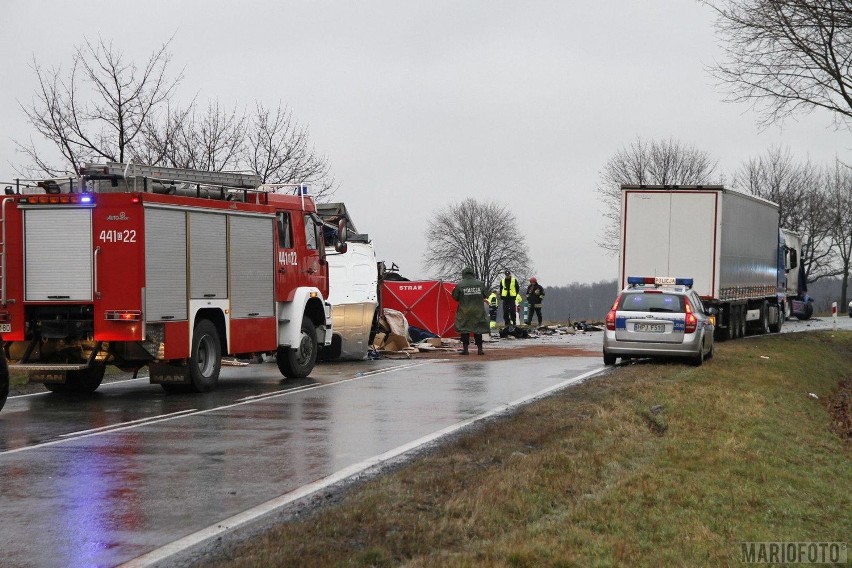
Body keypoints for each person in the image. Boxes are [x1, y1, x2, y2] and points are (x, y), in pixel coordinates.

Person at [451, 266, 490, 355]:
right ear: (473, 274)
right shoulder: (480, 284)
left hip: (465, 311)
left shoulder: (460, 284)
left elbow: (455, 297)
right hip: (478, 310)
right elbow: (485, 295)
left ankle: (465, 349)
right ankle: (480, 349)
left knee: (465, 329)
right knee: (478, 329)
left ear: (463, 274)